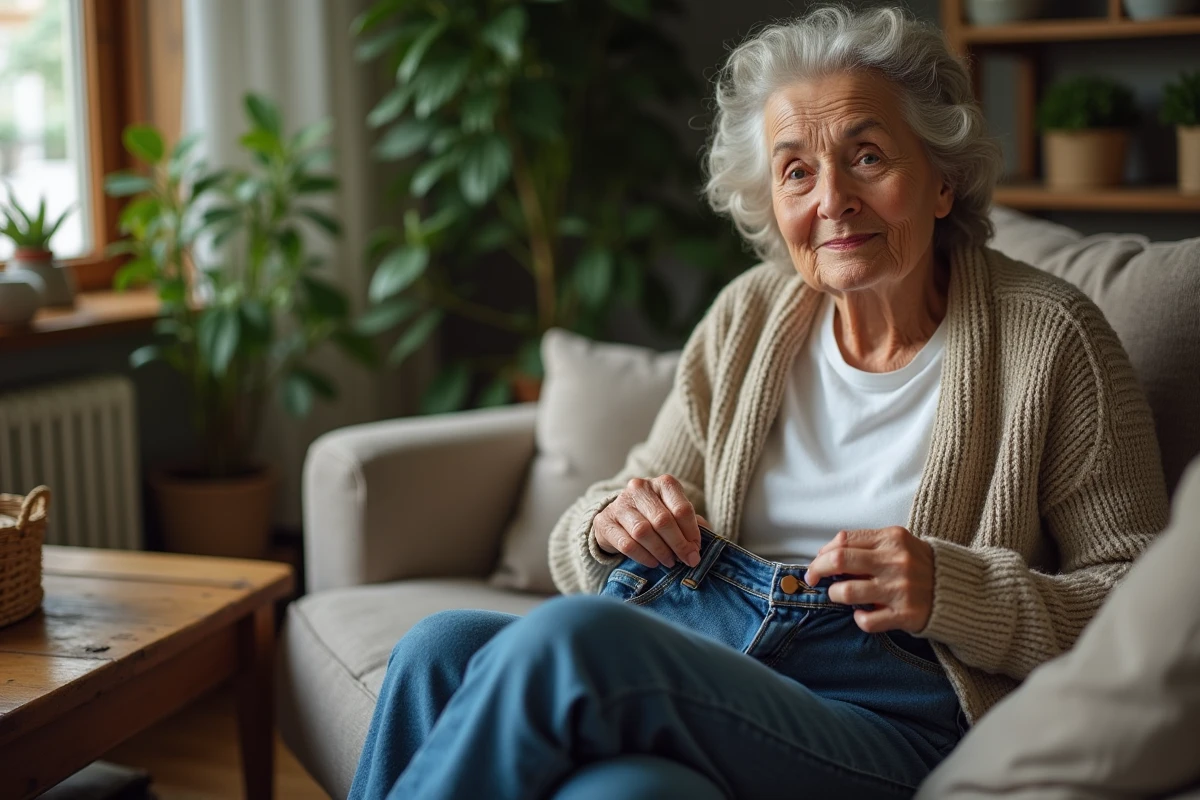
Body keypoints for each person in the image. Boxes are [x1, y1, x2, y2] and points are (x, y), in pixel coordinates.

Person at [348, 6, 1169, 798]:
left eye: (869, 156)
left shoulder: (1055, 339)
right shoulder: (749, 315)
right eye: (796, 172)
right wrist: (611, 524)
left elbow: (1142, 605)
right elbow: (595, 533)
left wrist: (952, 590)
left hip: (893, 711)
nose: (831, 200)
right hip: (718, 655)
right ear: (773, 203)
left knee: (578, 642)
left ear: (943, 180)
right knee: (444, 654)